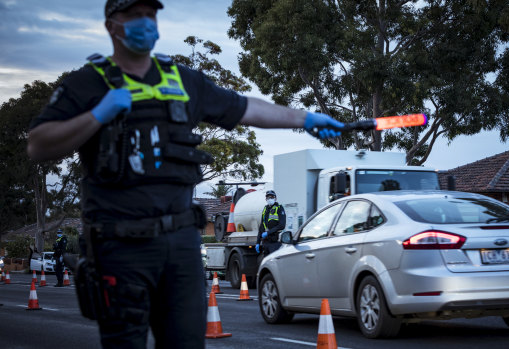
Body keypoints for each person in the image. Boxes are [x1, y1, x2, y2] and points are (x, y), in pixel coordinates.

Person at [26, 1, 343, 347]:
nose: (146, 23)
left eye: (151, 14)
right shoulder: (88, 83)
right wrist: (99, 114)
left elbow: (246, 108)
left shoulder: (180, 79)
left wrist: (305, 118)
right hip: (119, 247)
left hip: (181, 246)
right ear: (113, 25)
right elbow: (39, 145)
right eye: (135, 16)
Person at [255, 190, 285, 256]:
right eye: (268, 197)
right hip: (266, 242)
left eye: (271, 197)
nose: (269, 199)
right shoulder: (265, 209)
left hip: (275, 242)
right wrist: (258, 242)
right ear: (266, 199)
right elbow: (261, 226)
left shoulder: (279, 208)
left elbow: (282, 225)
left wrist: (268, 233)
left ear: (275, 198)